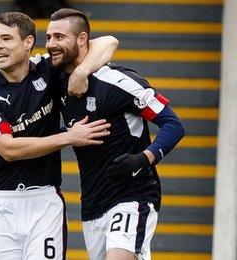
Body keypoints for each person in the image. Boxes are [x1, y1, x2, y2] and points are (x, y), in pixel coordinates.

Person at [0, 12, 118, 259]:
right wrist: (69, 137)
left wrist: (82, 73)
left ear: (28, 43)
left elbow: (108, 42)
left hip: (44, 201)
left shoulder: (46, 69)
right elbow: (8, 150)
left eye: (6, 38)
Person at [46, 8, 185, 260]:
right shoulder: (56, 79)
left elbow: (173, 124)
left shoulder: (118, 82)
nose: (51, 44)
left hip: (132, 196)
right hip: (92, 205)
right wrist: (78, 73)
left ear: (80, 40)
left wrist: (143, 159)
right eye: (48, 37)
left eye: (59, 37)